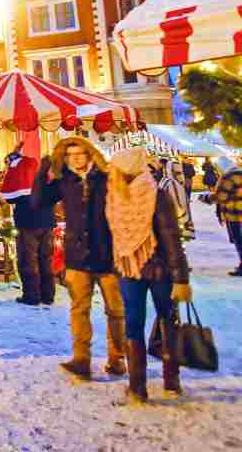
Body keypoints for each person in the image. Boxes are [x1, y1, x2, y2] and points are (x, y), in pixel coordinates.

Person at [32, 136, 126, 380]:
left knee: (116, 310)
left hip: (107, 255)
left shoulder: (106, 178)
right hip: (77, 256)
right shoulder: (66, 181)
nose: (75, 158)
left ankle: (117, 358)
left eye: (79, 154)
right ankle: (81, 359)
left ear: (89, 154)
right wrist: (43, 170)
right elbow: (38, 201)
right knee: (79, 309)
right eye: (70, 155)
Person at [105, 147, 191, 403]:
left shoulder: (157, 195)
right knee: (136, 324)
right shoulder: (114, 196)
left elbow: (171, 238)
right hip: (129, 268)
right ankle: (138, 385)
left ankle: (170, 378)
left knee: (164, 319)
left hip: (159, 269)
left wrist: (181, 278)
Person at [2, 143, 55, 306]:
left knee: (28, 260)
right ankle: (47, 295)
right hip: (47, 223)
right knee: (45, 259)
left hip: (27, 224)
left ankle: (31, 296)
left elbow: (9, 196)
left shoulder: (19, 173)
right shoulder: (42, 175)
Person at [158, 160, 195, 242]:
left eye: (180, 172)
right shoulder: (172, 183)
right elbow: (177, 204)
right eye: (177, 173)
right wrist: (183, 218)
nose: (180, 175)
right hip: (176, 223)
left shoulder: (165, 181)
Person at [215, 167, 242, 275]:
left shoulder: (230, 176)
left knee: (239, 240)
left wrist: (206, 198)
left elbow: (222, 197)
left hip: (235, 214)